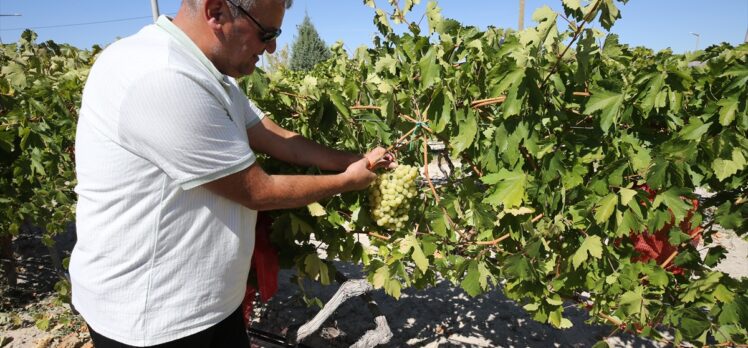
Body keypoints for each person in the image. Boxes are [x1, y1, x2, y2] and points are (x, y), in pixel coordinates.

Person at [70, 0, 392, 346]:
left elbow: (277, 138)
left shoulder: (205, 73)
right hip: (155, 319)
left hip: (199, 307)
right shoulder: (163, 76)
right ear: (217, 13)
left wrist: (358, 159)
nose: (272, 47)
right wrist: (347, 182)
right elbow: (257, 190)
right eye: (266, 33)